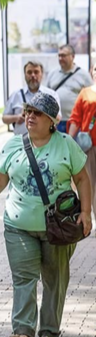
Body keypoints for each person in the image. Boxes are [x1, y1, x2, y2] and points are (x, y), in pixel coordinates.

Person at [0, 93, 91, 337]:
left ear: (51, 121)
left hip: (57, 227)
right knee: (24, 278)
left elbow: (82, 178)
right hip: (18, 225)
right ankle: (23, 332)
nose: (30, 116)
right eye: (28, 111)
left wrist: (86, 212)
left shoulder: (66, 144)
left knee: (55, 280)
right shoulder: (13, 145)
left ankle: (49, 332)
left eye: (37, 113)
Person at [65, 63, 96, 220]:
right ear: (92, 72)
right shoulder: (85, 93)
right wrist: (69, 141)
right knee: (89, 182)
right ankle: (88, 214)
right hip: (89, 146)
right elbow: (76, 118)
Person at [3, 61, 61, 135]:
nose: (33, 75)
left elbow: (58, 119)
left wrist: (41, 113)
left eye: (36, 72)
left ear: (42, 74)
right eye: (29, 72)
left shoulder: (51, 94)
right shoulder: (16, 95)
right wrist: (17, 117)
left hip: (45, 143)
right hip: (21, 142)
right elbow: (4, 118)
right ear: (25, 75)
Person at [46, 44, 92, 132]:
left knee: (73, 146)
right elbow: (46, 96)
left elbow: (91, 99)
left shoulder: (83, 75)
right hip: (55, 121)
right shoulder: (52, 74)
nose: (60, 58)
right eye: (59, 55)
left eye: (63, 55)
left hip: (76, 123)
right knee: (57, 146)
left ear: (73, 56)